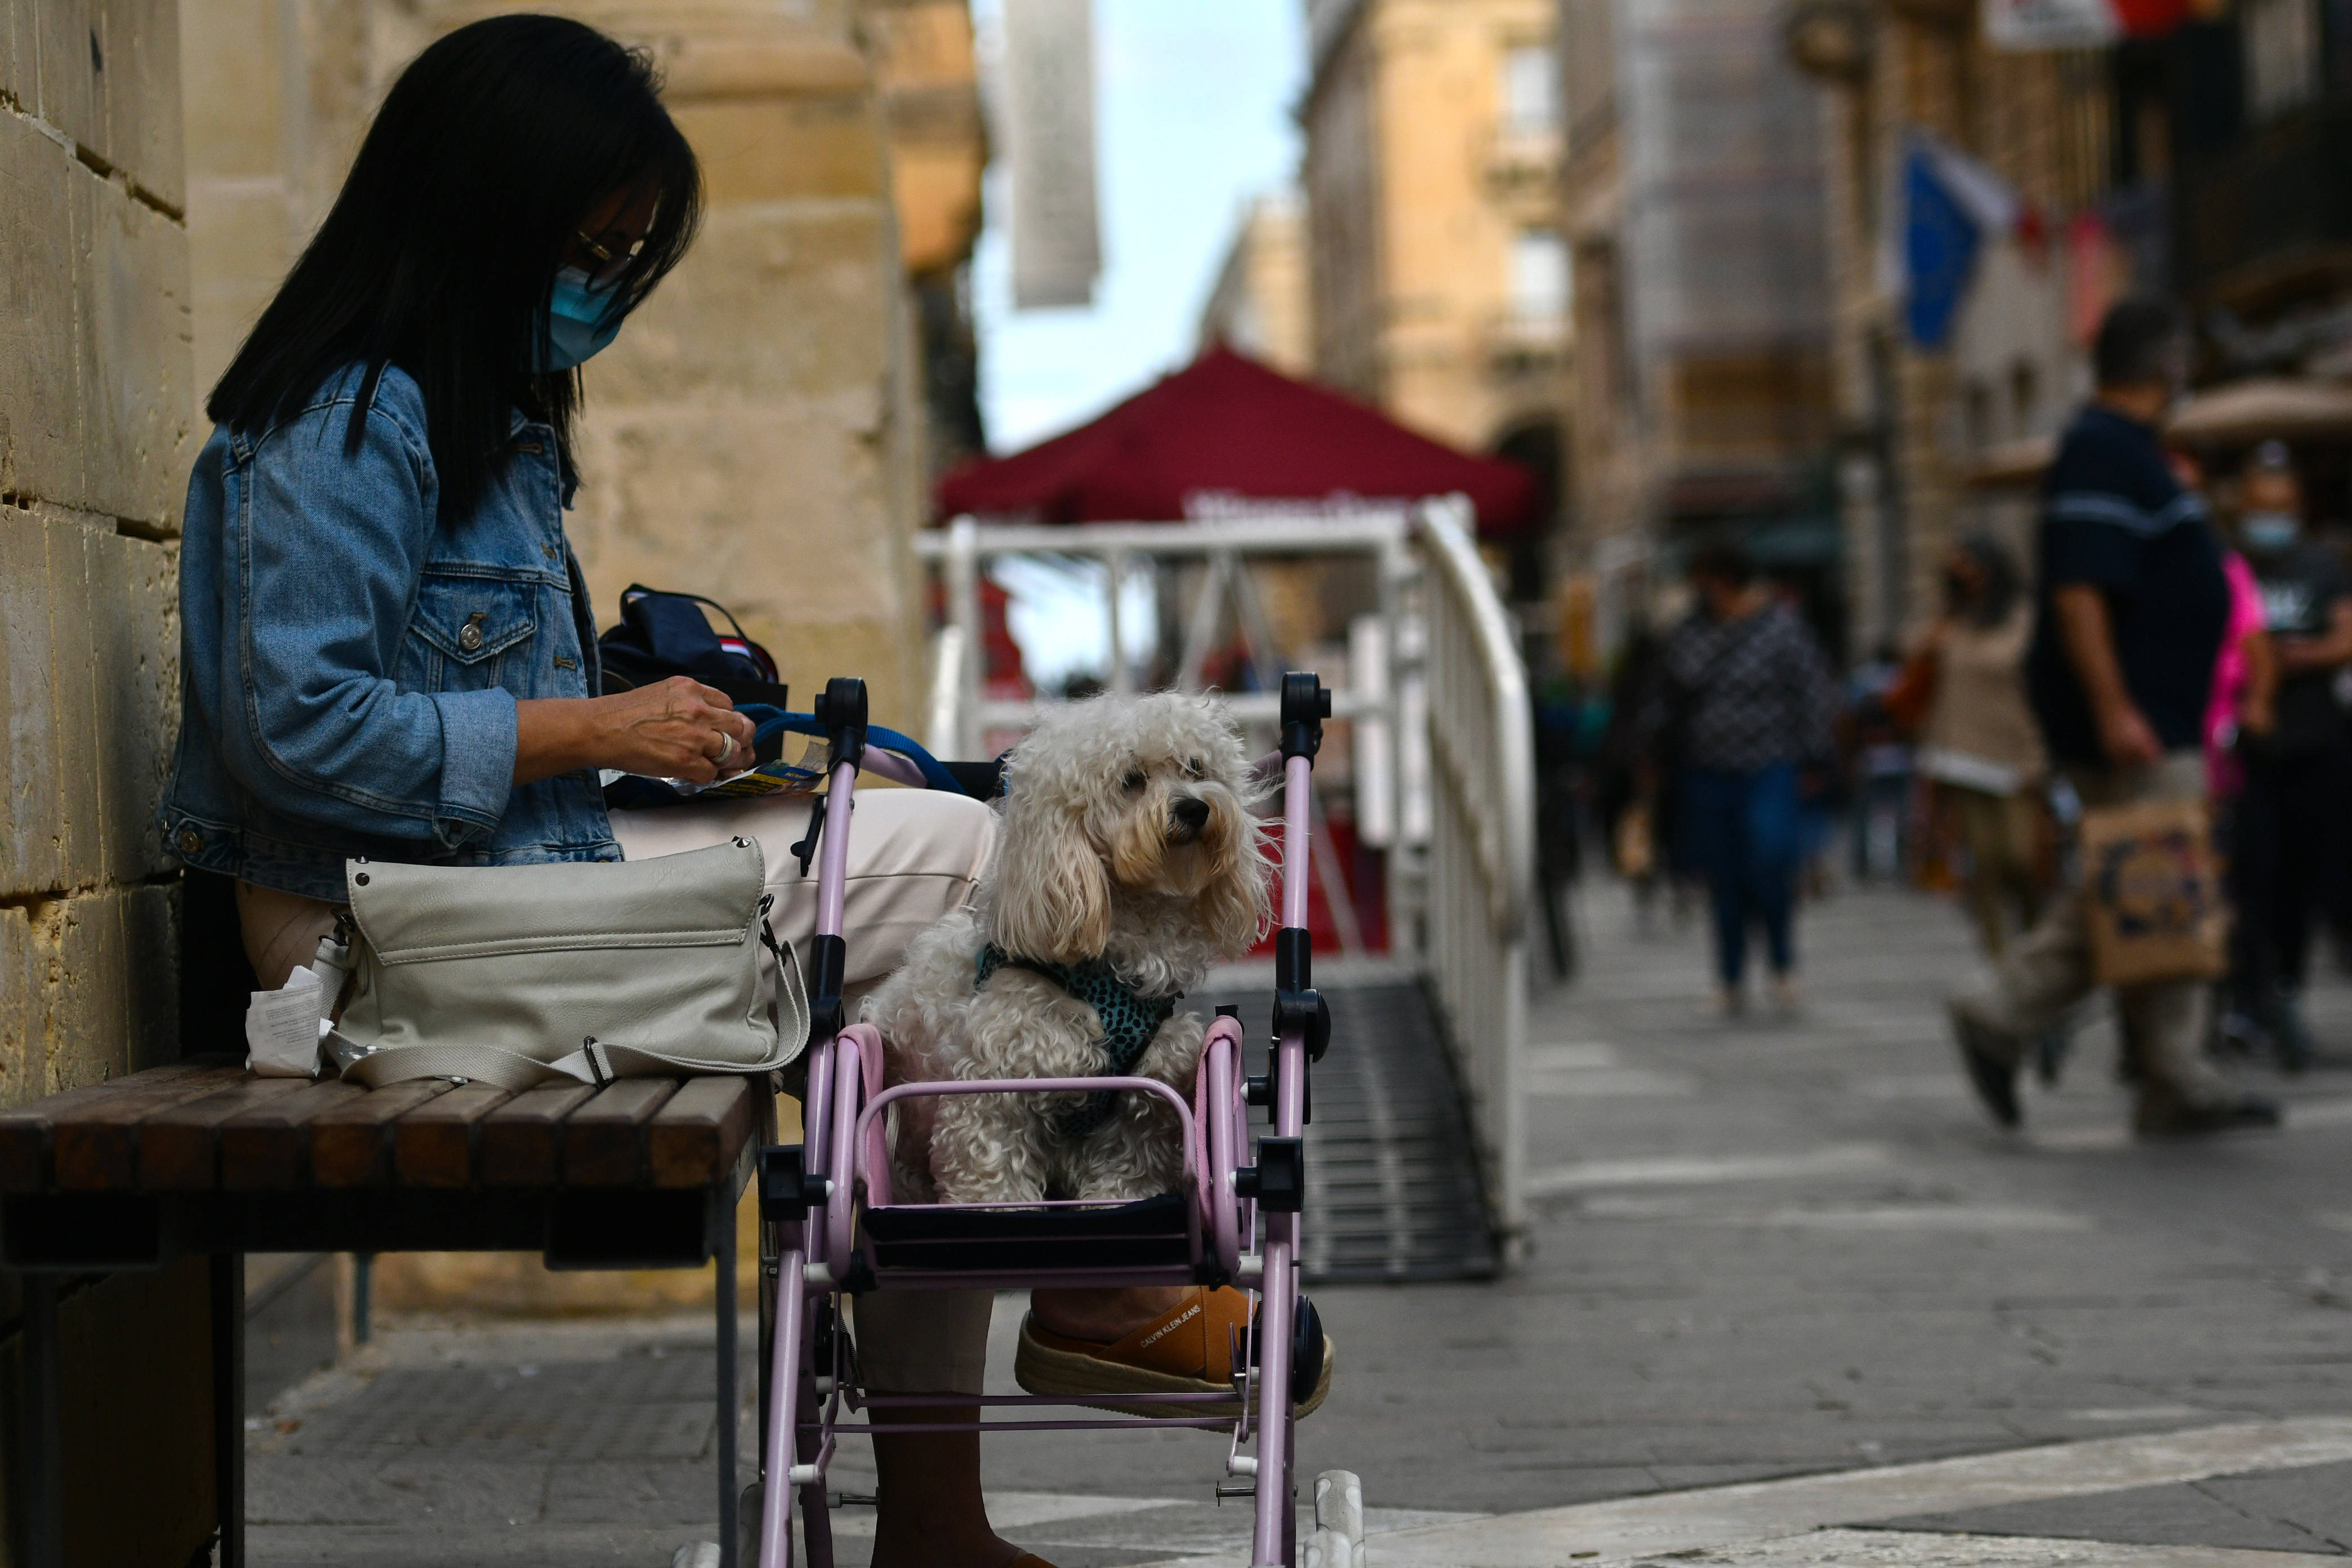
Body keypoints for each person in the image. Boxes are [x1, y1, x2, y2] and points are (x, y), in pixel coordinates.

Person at [153, 21, 1179, 1566]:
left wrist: (698, 749)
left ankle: (959, 1473)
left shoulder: (468, 422)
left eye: (627, 261)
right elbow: (299, 728)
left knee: (905, 930)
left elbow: (496, 727)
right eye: (590, 249)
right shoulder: (345, 422)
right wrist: (590, 731)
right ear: (479, 209)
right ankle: (1066, 1310)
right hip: (359, 944)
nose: (604, 292)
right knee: (968, 880)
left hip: (489, 889)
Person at [1946, 299, 2279, 1138]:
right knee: (2156, 883)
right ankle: (2120, 1053)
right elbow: (2081, 592)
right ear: (2164, 366)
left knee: (2142, 885)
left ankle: (2148, 1065)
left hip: (2153, 714)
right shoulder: (2101, 452)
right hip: (2136, 721)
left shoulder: (2122, 453)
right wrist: (2115, 707)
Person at [1639, 538, 1838, 1017]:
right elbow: (1666, 699)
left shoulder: (1781, 630)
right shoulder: (1688, 634)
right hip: (1705, 770)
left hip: (1768, 765)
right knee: (1723, 878)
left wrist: (1815, 760)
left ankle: (1782, 963)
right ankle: (1729, 977)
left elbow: (1811, 694)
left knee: (1770, 862)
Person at [2225, 440, 2352, 1068]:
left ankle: (2286, 989)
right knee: (2254, 876)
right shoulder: (2230, 567)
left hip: (2316, 744)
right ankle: (2250, 999)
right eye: (2260, 507)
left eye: (2280, 506)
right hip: (2250, 750)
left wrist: (2295, 657)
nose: (2270, 517)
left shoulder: (2322, 565)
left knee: (2312, 875)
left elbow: (2346, 637)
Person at [1913, 535, 2048, 959]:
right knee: (1984, 865)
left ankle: (2033, 941)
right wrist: (1944, 612)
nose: (1965, 579)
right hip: (1960, 756)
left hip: (2014, 754)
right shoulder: (1954, 621)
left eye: (1971, 568)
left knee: (2021, 859)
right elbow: (1913, 657)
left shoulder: (2022, 618)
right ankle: (1999, 959)